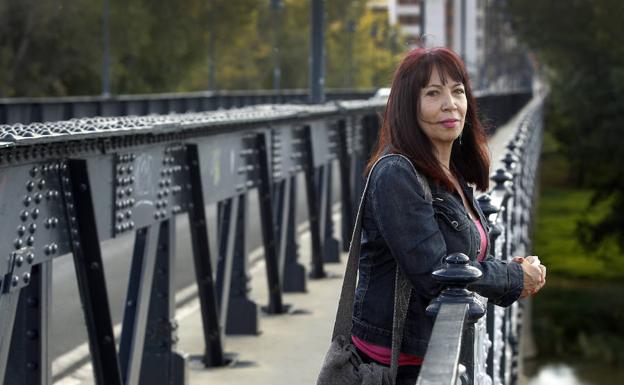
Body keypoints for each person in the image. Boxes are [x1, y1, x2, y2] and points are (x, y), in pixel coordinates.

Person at [350, 47, 546, 384]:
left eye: (457, 91)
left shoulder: (453, 173)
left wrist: (511, 270)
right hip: (396, 366)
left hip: (435, 351)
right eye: (433, 93)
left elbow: (462, 258)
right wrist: (512, 279)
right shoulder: (397, 172)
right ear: (407, 107)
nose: (449, 103)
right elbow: (437, 274)